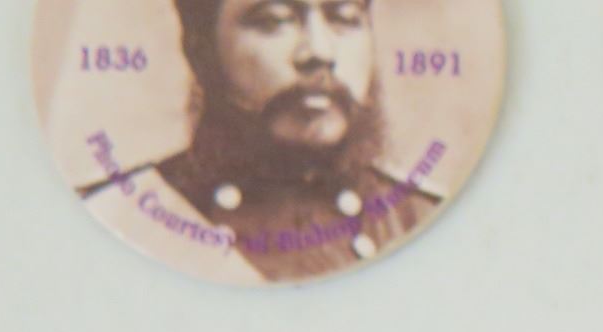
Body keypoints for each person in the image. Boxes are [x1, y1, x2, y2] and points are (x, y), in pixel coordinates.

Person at [80, 0, 441, 282]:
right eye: (274, 20)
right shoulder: (122, 216)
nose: (320, 52)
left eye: (344, 18)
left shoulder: (422, 221)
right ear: (201, 48)